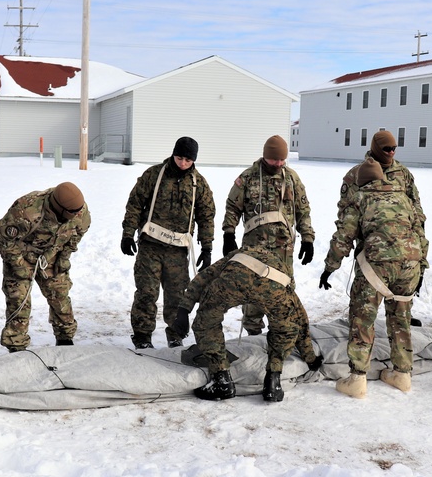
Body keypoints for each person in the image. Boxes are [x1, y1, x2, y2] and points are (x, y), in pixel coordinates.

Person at [319, 157, 429, 398]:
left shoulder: (360, 199)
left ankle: (357, 378)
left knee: (362, 318)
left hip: (376, 267)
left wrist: (330, 267)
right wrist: (421, 265)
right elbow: (420, 231)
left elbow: (344, 237)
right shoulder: (404, 198)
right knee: (401, 318)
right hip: (409, 265)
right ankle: (402, 374)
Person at [172, 245, 323, 403]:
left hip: (233, 280)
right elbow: (300, 320)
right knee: (285, 329)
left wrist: (184, 310)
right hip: (272, 287)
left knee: (207, 322)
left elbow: (203, 278)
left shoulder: (237, 254)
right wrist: (310, 359)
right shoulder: (280, 267)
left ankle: (221, 380)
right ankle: (273, 381)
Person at [121, 137, 215, 349]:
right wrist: (127, 234)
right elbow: (135, 204)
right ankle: (142, 336)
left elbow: (206, 216)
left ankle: (176, 335)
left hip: (178, 251)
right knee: (146, 292)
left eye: (188, 160)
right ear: (173, 154)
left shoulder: (198, 184)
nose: (182, 163)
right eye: (180, 157)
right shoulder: (154, 175)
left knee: (178, 297)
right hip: (150, 247)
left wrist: (207, 247)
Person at [221, 135, 314, 335]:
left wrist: (308, 238)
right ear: (265, 157)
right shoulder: (247, 177)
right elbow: (232, 207)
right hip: (255, 248)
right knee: (253, 289)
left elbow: (303, 210)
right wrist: (228, 233)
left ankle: (281, 334)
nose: (278, 163)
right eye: (274, 160)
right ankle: (253, 333)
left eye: (282, 160)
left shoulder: (291, 178)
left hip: (283, 250)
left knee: (283, 290)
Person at [337, 130, 427, 325]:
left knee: (401, 286)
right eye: (387, 148)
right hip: (372, 244)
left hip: (404, 240)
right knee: (367, 292)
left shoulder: (403, 174)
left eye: (394, 148)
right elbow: (346, 212)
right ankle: (363, 319)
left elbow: (416, 208)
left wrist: (420, 249)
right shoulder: (356, 174)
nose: (392, 152)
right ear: (376, 149)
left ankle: (402, 316)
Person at [0, 182, 90, 351]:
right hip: (20, 255)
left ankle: (65, 338)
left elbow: (78, 232)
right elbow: (1, 235)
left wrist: (64, 256)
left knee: (60, 295)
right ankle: (16, 346)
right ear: (59, 208)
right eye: (72, 213)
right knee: (19, 299)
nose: (76, 215)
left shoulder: (79, 210)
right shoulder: (27, 209)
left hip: (50, 256)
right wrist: (17, 264)